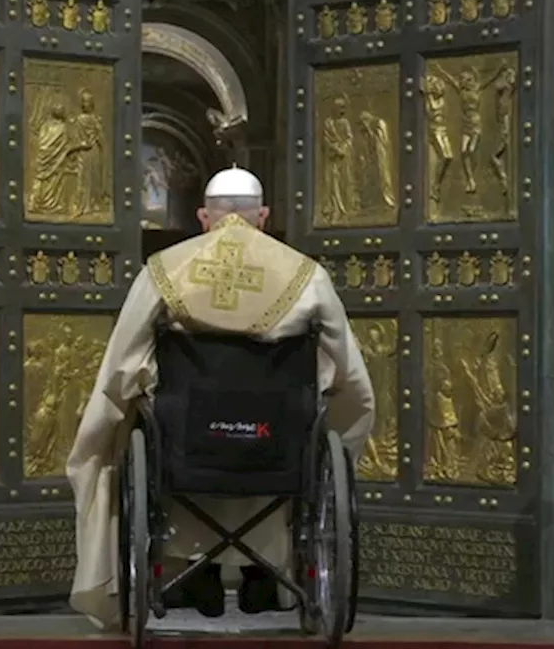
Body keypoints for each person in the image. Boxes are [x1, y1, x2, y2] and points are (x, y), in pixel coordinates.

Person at [65, 166, 375, 625]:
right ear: (263, 217)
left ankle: (195, 574)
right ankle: (265, 576)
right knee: (300, 421)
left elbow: (122, 368)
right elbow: (351, 380)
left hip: (186, 449)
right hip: (278, 452)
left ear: (203, 217)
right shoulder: (307, 278)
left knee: (147, 419)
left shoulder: (165, 271)